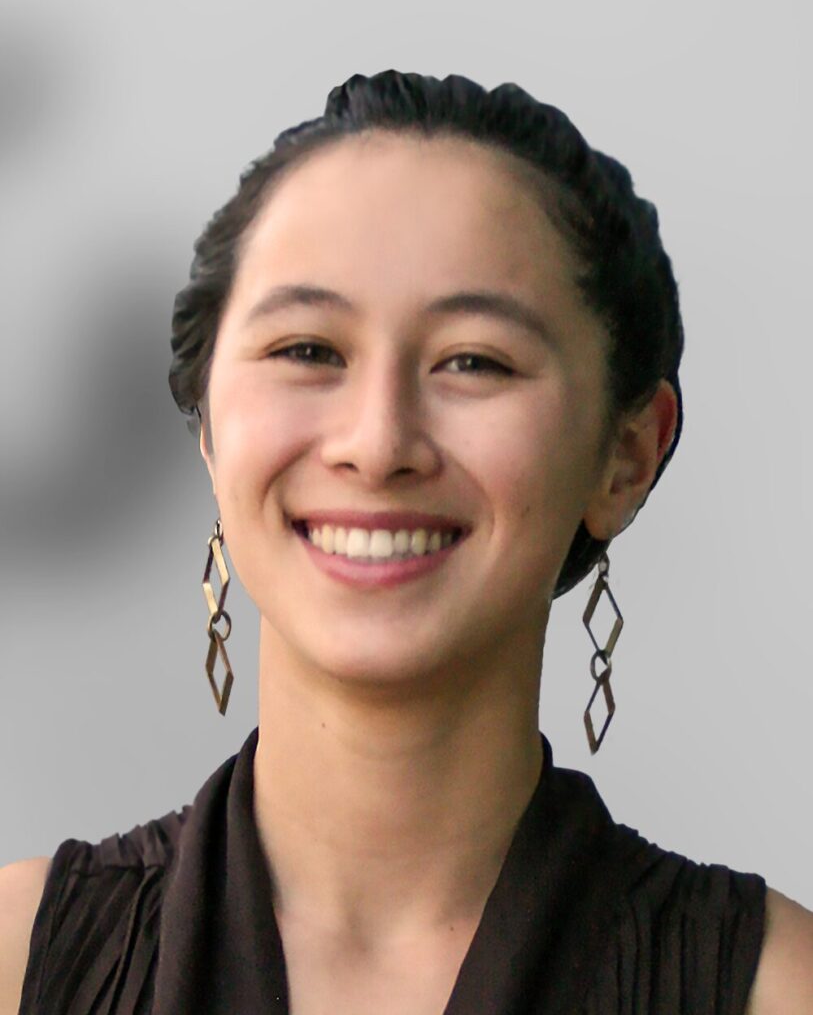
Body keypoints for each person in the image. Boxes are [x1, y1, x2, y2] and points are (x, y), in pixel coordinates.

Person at [1, 69, 811, 1015]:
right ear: (210, 432)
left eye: (474, 361)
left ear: (626, 457)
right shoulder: (18, 963)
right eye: (307, 350)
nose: (378, 443)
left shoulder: (776, 989)